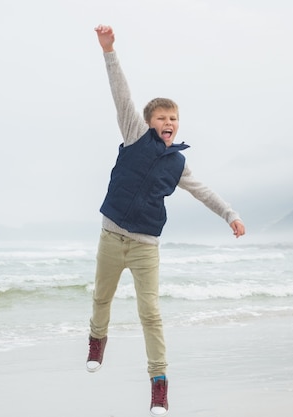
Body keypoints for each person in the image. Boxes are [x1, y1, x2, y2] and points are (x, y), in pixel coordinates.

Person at [87, 24, 246, 417]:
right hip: (111, 237)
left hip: (145, 246)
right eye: (162, 117)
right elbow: (120, 89)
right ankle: (96, 340)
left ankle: (159, 384)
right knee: (101, 298)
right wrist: (109, 50)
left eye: (173, 117)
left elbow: (204, 191)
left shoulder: (178, 163)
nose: (169, 122)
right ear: (148, 121)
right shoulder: (133, 133)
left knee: (151, 313)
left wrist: (231, 215)